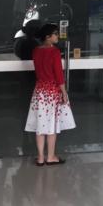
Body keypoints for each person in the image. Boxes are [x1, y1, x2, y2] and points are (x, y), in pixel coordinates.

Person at [24, 23, 75, 166]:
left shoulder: (36, 51)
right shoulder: (54, 52)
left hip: (39, 91)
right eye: (55, 34)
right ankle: (51, 156)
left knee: (40, 125)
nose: (57, 36)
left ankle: (40, 158)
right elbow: (58, 75)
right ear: (48, 37)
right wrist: (64, 92)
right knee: (52, 125)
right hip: (52, 92)